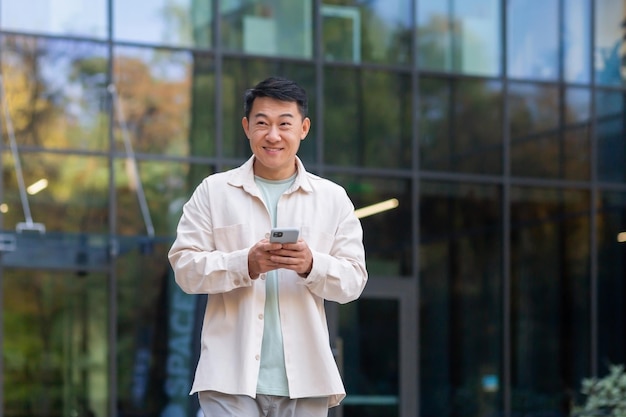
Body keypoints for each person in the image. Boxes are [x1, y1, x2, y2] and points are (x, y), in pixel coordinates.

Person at [168, 76, 368, 417]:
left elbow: (353, 281)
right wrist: (245, 263)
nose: (273, 135)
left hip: (307, 379)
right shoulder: (213, 192)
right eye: (262, 123)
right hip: (228, 377)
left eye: (284, 124)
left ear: (303, 128)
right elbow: (185, 269)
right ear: (247, 127)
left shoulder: (333, 199)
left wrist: (310, 264)